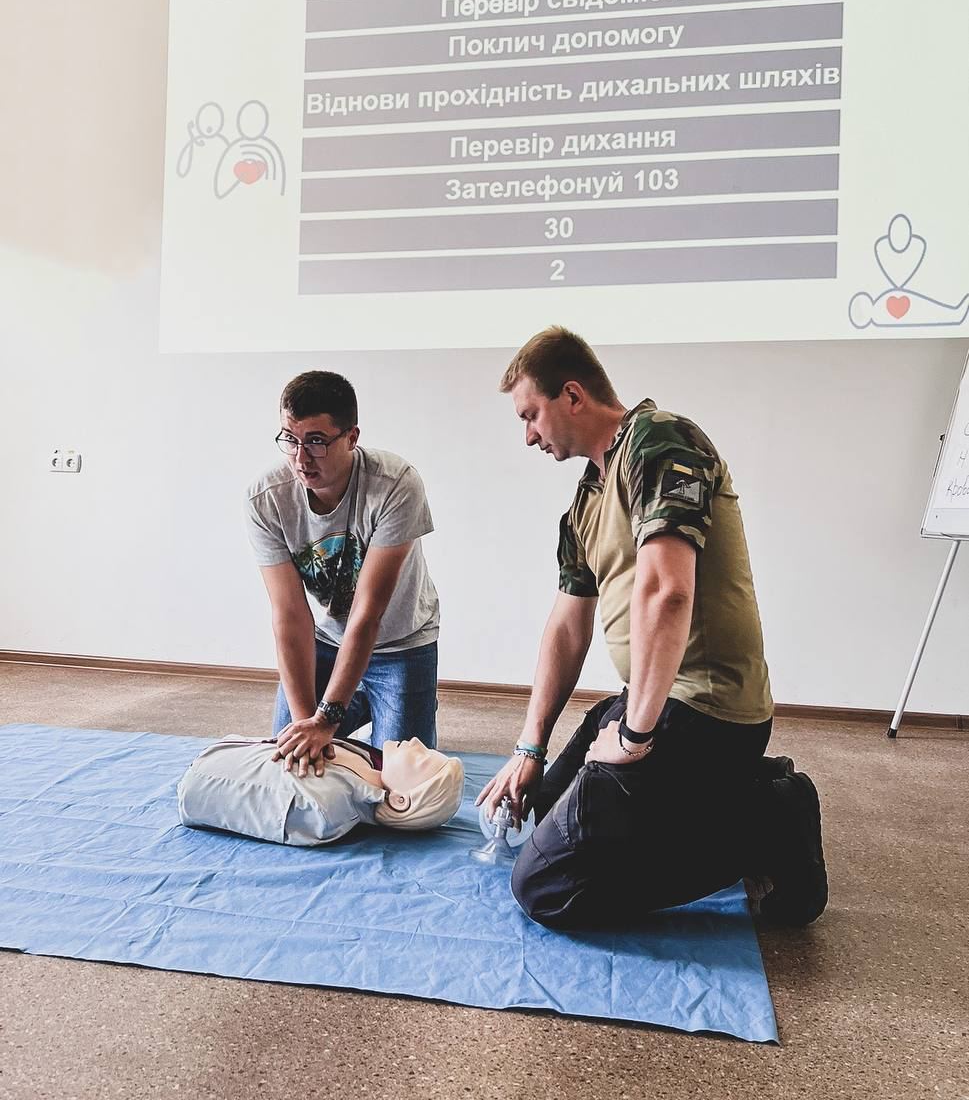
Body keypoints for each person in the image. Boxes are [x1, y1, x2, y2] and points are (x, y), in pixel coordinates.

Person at [476, 327, 827, 931]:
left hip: (705, 715)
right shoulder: (585, 500)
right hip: (653, 703)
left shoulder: (660, 440)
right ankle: (732, 797)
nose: (528, 434)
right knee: (542, 812)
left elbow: (668, 591)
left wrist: (634, 738)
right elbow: (566, 625)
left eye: (531, 414)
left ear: (573, 396)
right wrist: (529, 749)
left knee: (545, 887)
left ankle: (769, 821)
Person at [246, 370, 440, 777]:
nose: (301, 458)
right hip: (327, 641)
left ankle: (390, 709)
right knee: (290, 764)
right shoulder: (267, 498)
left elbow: (368, 612)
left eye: (316, 441)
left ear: (351, 438)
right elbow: (289, 615)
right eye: (290, 439)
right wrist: (307, 726)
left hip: (400, 645)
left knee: (403, 783)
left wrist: (328, 718)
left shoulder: (394, 484)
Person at [178, 736, 464, 844]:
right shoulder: (367, 767)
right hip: (215, 759)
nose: (415, 741)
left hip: (201, 776)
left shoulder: (325, 810)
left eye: (422, 758)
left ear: (401, 800)